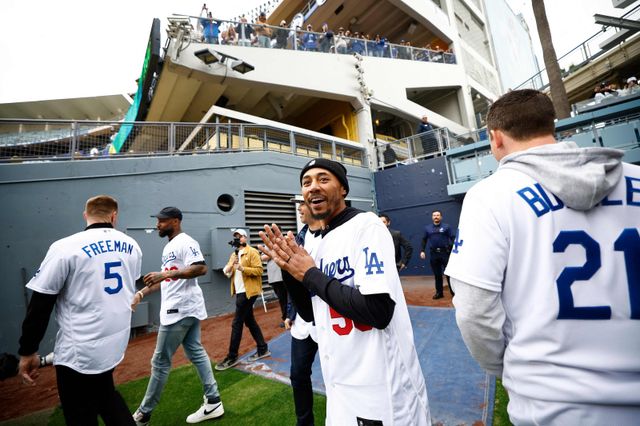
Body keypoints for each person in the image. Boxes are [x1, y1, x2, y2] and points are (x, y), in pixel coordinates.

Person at [445, 89, 640, 425]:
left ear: (495, 138)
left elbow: (475, 309)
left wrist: (510, 369)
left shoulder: (489, 195)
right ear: (552, 125)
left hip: (551, 405)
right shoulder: (636, 178)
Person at [260, 158, 430, 425]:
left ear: (343, 189)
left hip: (382, 388)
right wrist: (290, 271)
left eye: (323, 179)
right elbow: (312, 314)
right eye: (306, 182)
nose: (313, 187)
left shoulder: (367, 226)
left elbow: (378, 311)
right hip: (339, 385)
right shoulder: (318, 242)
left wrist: (310, 274)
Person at [17, 195, 142, 426]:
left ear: (85, 215)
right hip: (114, 344)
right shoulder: (132, 245)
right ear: (114, 216)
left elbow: (41, 303)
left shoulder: (65, 247)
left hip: (78, 351)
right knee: (106, 396)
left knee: (81, 415)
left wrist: (27, 350)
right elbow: (128, 286)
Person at [132, 207, 223, 425]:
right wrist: (141, 293)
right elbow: (166, 279)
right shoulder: (169, 246)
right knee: (196, 352)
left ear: (175, 221)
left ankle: (143, 414)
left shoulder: (186, 242)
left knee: (160, 361)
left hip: (179, 310)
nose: (158, 225)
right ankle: (213, 401)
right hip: (184, 308)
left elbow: (200, 268)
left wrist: (167, 273)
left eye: (162, 221)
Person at [285, 195, 322, 426]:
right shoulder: (297, 239)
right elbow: (293, 282)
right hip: (301, 321)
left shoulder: (332, 235)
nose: (299, 210)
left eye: (303, 206)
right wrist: (290, 313)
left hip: (328, 318)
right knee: (298, 374)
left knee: (337, 374)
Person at [216, 229, 270, 370]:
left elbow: (259, 270)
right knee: (249, 320)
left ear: (245, 238)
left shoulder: (252, 252)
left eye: (239, 236)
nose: (237, 238)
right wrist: (230, 266)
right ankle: (262, 348)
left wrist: (242, 268)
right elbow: (227, 271)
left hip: (248, 292)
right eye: (236, 237)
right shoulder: (234, 254)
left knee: (237, 323)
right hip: (240, 291)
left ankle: (232, 356)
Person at [419, 210, 455, 299]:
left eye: (438, 215)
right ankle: (439, 293)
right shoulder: (427, 228)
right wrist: (422, 250)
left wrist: (453, 249)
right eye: (434, 215)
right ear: (432, 217)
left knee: (449, 274)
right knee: (437, 274)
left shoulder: (446, 227)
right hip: (434, 254)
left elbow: (453, 238)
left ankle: (453, 292)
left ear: (441, 217)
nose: (436, 217)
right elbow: (424, 240)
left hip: (445, 253)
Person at [261, 252, 287, 327]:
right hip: (274, 277)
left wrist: (271, 254)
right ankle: (286, 318)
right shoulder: (266, 246)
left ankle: (289, 318)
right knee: (281, 299)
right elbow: (262, 257)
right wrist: (273, 253)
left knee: (287, 298)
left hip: (284, 274)